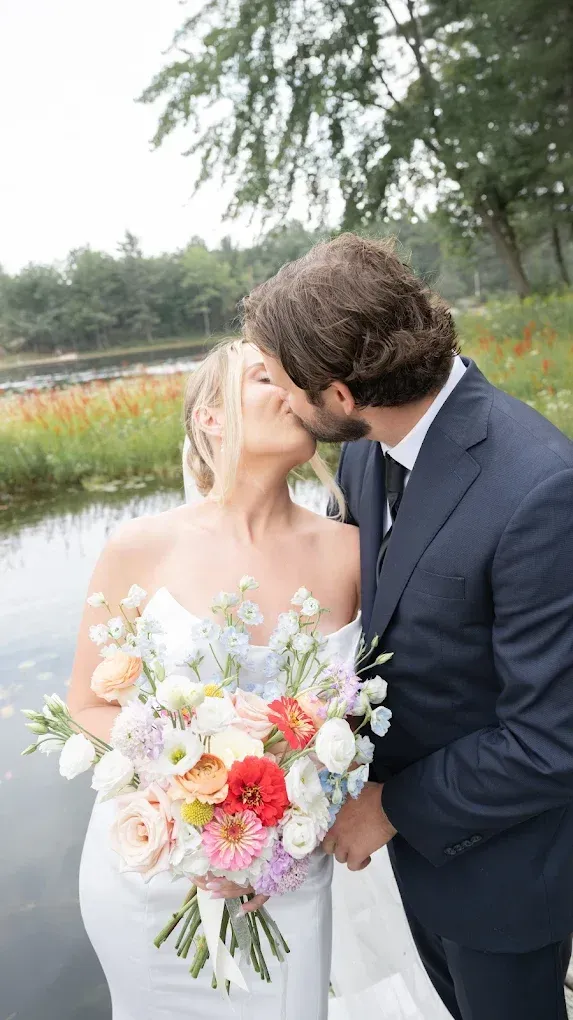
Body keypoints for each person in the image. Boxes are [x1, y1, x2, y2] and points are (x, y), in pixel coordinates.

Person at [243, 232, 573, 1020]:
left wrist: (390, 809)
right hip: (416, 865)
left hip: (502, 873)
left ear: (341, 395)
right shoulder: (366, 454)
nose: (285, 404)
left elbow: (553, 739)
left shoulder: (539, 488)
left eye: (288, 388)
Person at [69, 339, 362, 1020]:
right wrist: (184, 802)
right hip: (154, 868)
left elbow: (358, 716)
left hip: (285, 873)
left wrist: (291, 812)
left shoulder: (351, 552)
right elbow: (86, 703)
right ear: (210, 418)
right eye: (267, 377)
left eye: (298, 376)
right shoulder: (138, 546)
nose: (292, 388)